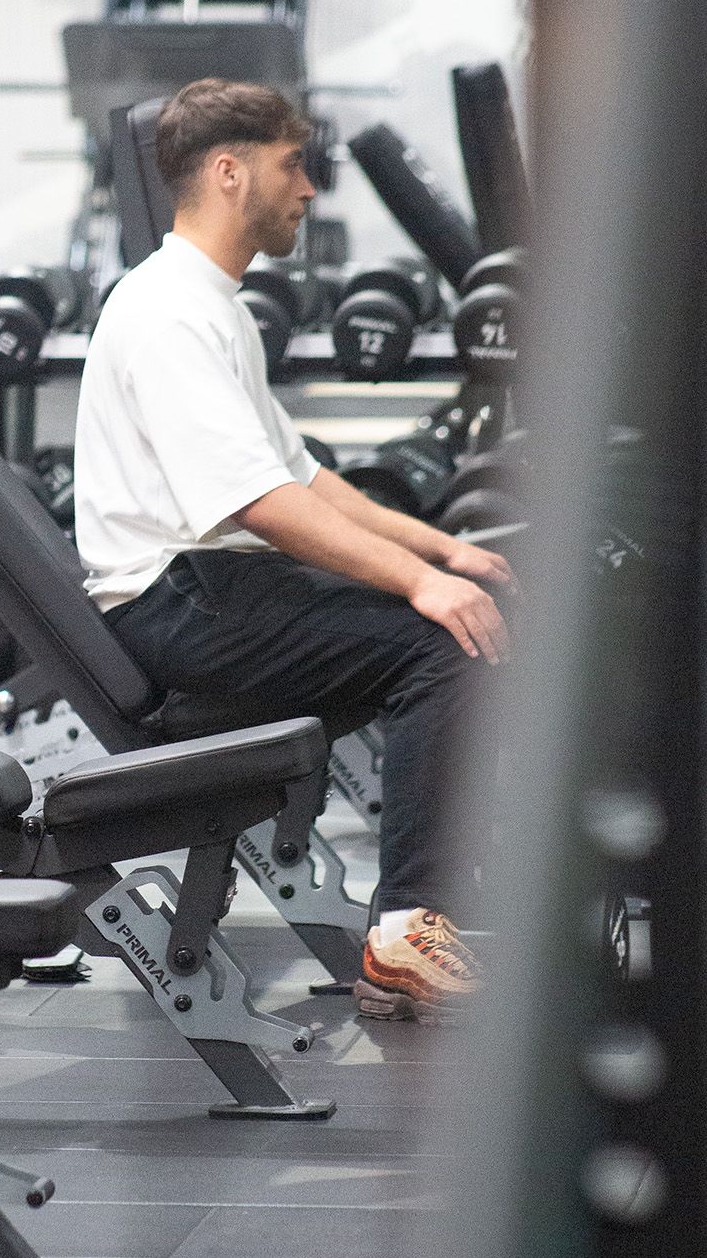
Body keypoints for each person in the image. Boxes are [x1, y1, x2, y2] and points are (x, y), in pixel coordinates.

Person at [73, 77, 512, 1022]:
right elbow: (261, 504)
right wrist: (423, 591)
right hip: (172, 605)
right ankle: (405, 934)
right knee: (440, 645)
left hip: (207, 589)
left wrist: (445, 554)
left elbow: (306, 478)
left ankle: (437, 913)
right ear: (229, 172)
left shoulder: (213, 306)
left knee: (466, 617)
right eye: (290, 166)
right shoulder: (169, 314)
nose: (308, 189)